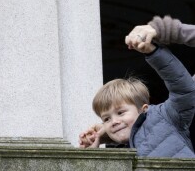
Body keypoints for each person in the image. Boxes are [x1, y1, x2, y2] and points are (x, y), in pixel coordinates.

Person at [79, 20, 195, 158]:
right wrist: (93, 149)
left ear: (144, 109)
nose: (114, 121)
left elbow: (183, 89)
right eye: (106, 119)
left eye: (120, 112)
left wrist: (153, 52)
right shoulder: (130, 147)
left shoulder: (165, 116)